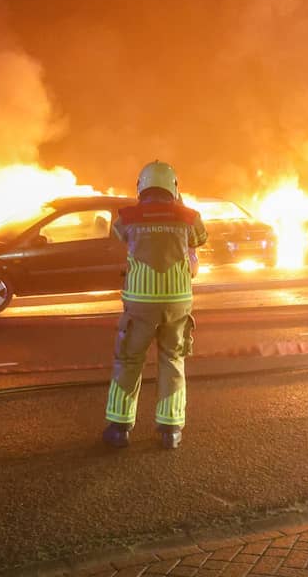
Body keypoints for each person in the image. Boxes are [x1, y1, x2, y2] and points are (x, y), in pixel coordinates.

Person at [103, 160, 208, 449]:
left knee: (129, 360)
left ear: (141, 186)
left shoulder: (128, 217)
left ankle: (119, 428)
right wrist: (179, 207)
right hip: (177, 303)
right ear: (173, 186)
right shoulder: (189, 216)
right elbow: (200, 239)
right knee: (172, 360)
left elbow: (118, 235)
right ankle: (170, 431)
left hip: (140, 303)